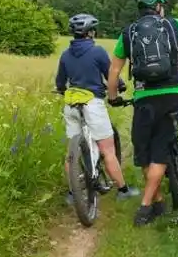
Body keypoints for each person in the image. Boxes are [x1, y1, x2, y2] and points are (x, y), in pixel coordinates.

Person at [106, 0, 178, 226]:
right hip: (174, 94)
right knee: (162, 148)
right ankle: (154, 203)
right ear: (159, 6)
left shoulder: (128, 33)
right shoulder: (173, 25)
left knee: (145, 154)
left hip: (145, 98)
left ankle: (149, 205)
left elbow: (114, 70)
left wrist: (112, 97)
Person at [55, 13, 139, 204]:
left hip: (71, 105)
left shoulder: (65, 55)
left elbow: (60, 82)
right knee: (107, 149)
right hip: (92, 103)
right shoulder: (97, 51)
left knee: (72, 151)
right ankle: (123, 190)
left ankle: (72, 193)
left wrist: (61, 90)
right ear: (90, 32)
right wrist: (120, 85)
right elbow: (111, 75)